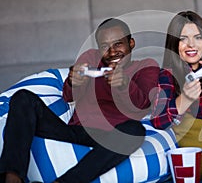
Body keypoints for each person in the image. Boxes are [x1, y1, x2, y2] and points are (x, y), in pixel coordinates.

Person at [0, 18, 160, 183]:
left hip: (112, 135)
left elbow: (142, 104)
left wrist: (124, 84)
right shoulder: (91, 58)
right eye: (105, 46)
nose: (112, 52)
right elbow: (69, 96)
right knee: (23, 97)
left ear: (131, 43)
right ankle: (12, 178)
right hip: (75, 131)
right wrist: (72, 82)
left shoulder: (146, 66)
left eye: (118, 44)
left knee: (134, 131)